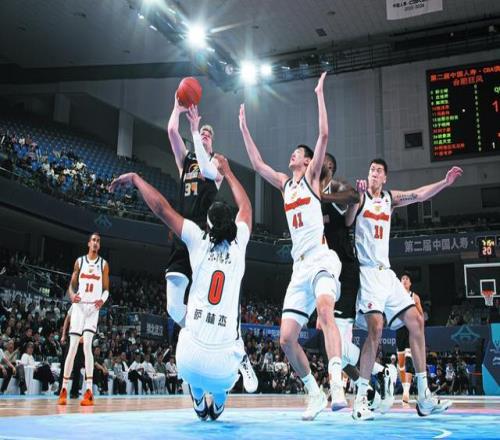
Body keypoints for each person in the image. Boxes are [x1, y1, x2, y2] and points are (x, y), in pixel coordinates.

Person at [110, 154, 251, 421]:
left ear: (207, 225)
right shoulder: (241, 243)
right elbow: (246, 206)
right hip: (222, 367)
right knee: (223, 383)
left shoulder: (198, 240)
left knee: (184, 331)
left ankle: (196, 395)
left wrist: (137, 179)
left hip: (189, 361)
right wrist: (229, 173)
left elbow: (162, 209)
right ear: (232, 226)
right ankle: (218, 400)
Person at [239, 72, 346, 420]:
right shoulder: (286, 184)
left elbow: (324, 134)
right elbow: (257, 165)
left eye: (297, 153)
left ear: (306, 160)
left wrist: (319, 93)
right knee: (286, 338)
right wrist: (243, 128)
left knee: (325, 312)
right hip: (299, 266)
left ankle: (336, 384)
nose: (292, 155)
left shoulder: (312, 178)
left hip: (321, 258)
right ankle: (314, 393)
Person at [345, 159, 461, 420]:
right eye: (371, 170)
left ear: (385, 177)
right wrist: (354, 199)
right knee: (375, 330)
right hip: (368, 273)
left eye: (378, 171)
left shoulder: (390, 198)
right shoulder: (360, 197)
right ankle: (360, 399)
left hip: (387, 273)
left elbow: (419, 194)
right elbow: (349, 221)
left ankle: (424, 397)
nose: (374, 173)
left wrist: (444, 183)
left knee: (417, 321)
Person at [166, 101, 257, 393]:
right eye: (202, 132)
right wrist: (177, 108)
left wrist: (195, 130)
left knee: (224, 300)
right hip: (184, 236)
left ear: (211, 142)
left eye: (209, 134)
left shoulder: (214, 164)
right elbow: (171, 131)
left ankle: (236, 349)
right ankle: (200, 341)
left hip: (206, 243)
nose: (205, 134)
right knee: (172, 307)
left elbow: (207, 168)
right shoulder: (186, 161)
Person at [315, 153, 391, 412]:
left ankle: (356, 382)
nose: (319, 165)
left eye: (325, 163)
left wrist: (324, 196)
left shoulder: (337, 188)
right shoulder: (307, 192)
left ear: (331, 168)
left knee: (332, 339)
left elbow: (352, 198)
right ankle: (373, 375)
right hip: (320, 270)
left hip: (344, 270)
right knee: (328, 343)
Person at [58, 232, 110, 406]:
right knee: (72, 347)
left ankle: (88, 391)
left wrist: (102, 300)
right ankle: (63, 389)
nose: (95, 243)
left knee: (87, 346)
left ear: (99, 245)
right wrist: (72, 295)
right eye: (93, 240)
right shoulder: (79, 262)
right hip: (79, 307)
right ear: (89, 243)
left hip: (93, 308)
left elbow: (106, 289)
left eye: (98, 241)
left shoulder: (103, 264)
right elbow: (71, 286)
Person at [397, 271, 424, 404]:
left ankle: (406, 392)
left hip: (410, 329)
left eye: (407, 278)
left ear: (410, 283)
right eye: (403, 278)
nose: (405, 280)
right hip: (399, 329)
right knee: (401, 364)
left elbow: (421, 315)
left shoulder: (415, 297)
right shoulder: (395, 296)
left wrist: (420, 330)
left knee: (408, 360)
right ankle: (405, 388)